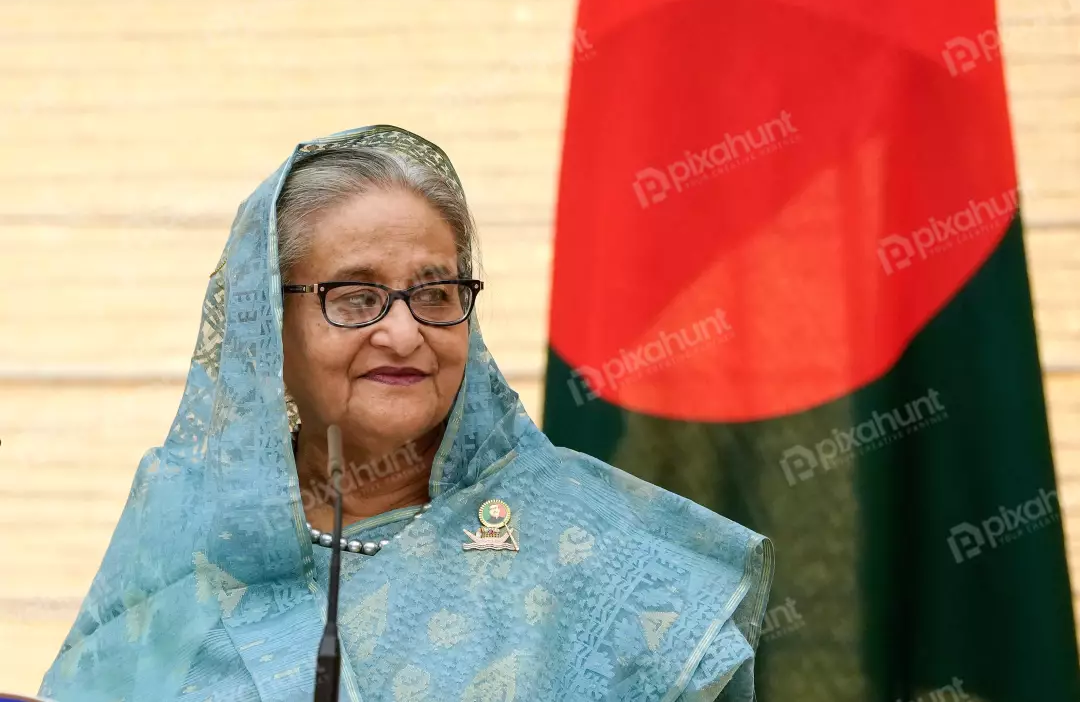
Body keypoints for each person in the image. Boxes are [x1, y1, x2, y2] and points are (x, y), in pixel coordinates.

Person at [39, 125, 774, 701]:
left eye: (435, 293)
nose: (403, 332)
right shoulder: (187, 529)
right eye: (356, 296)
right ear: (269, 326)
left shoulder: (590, 545)